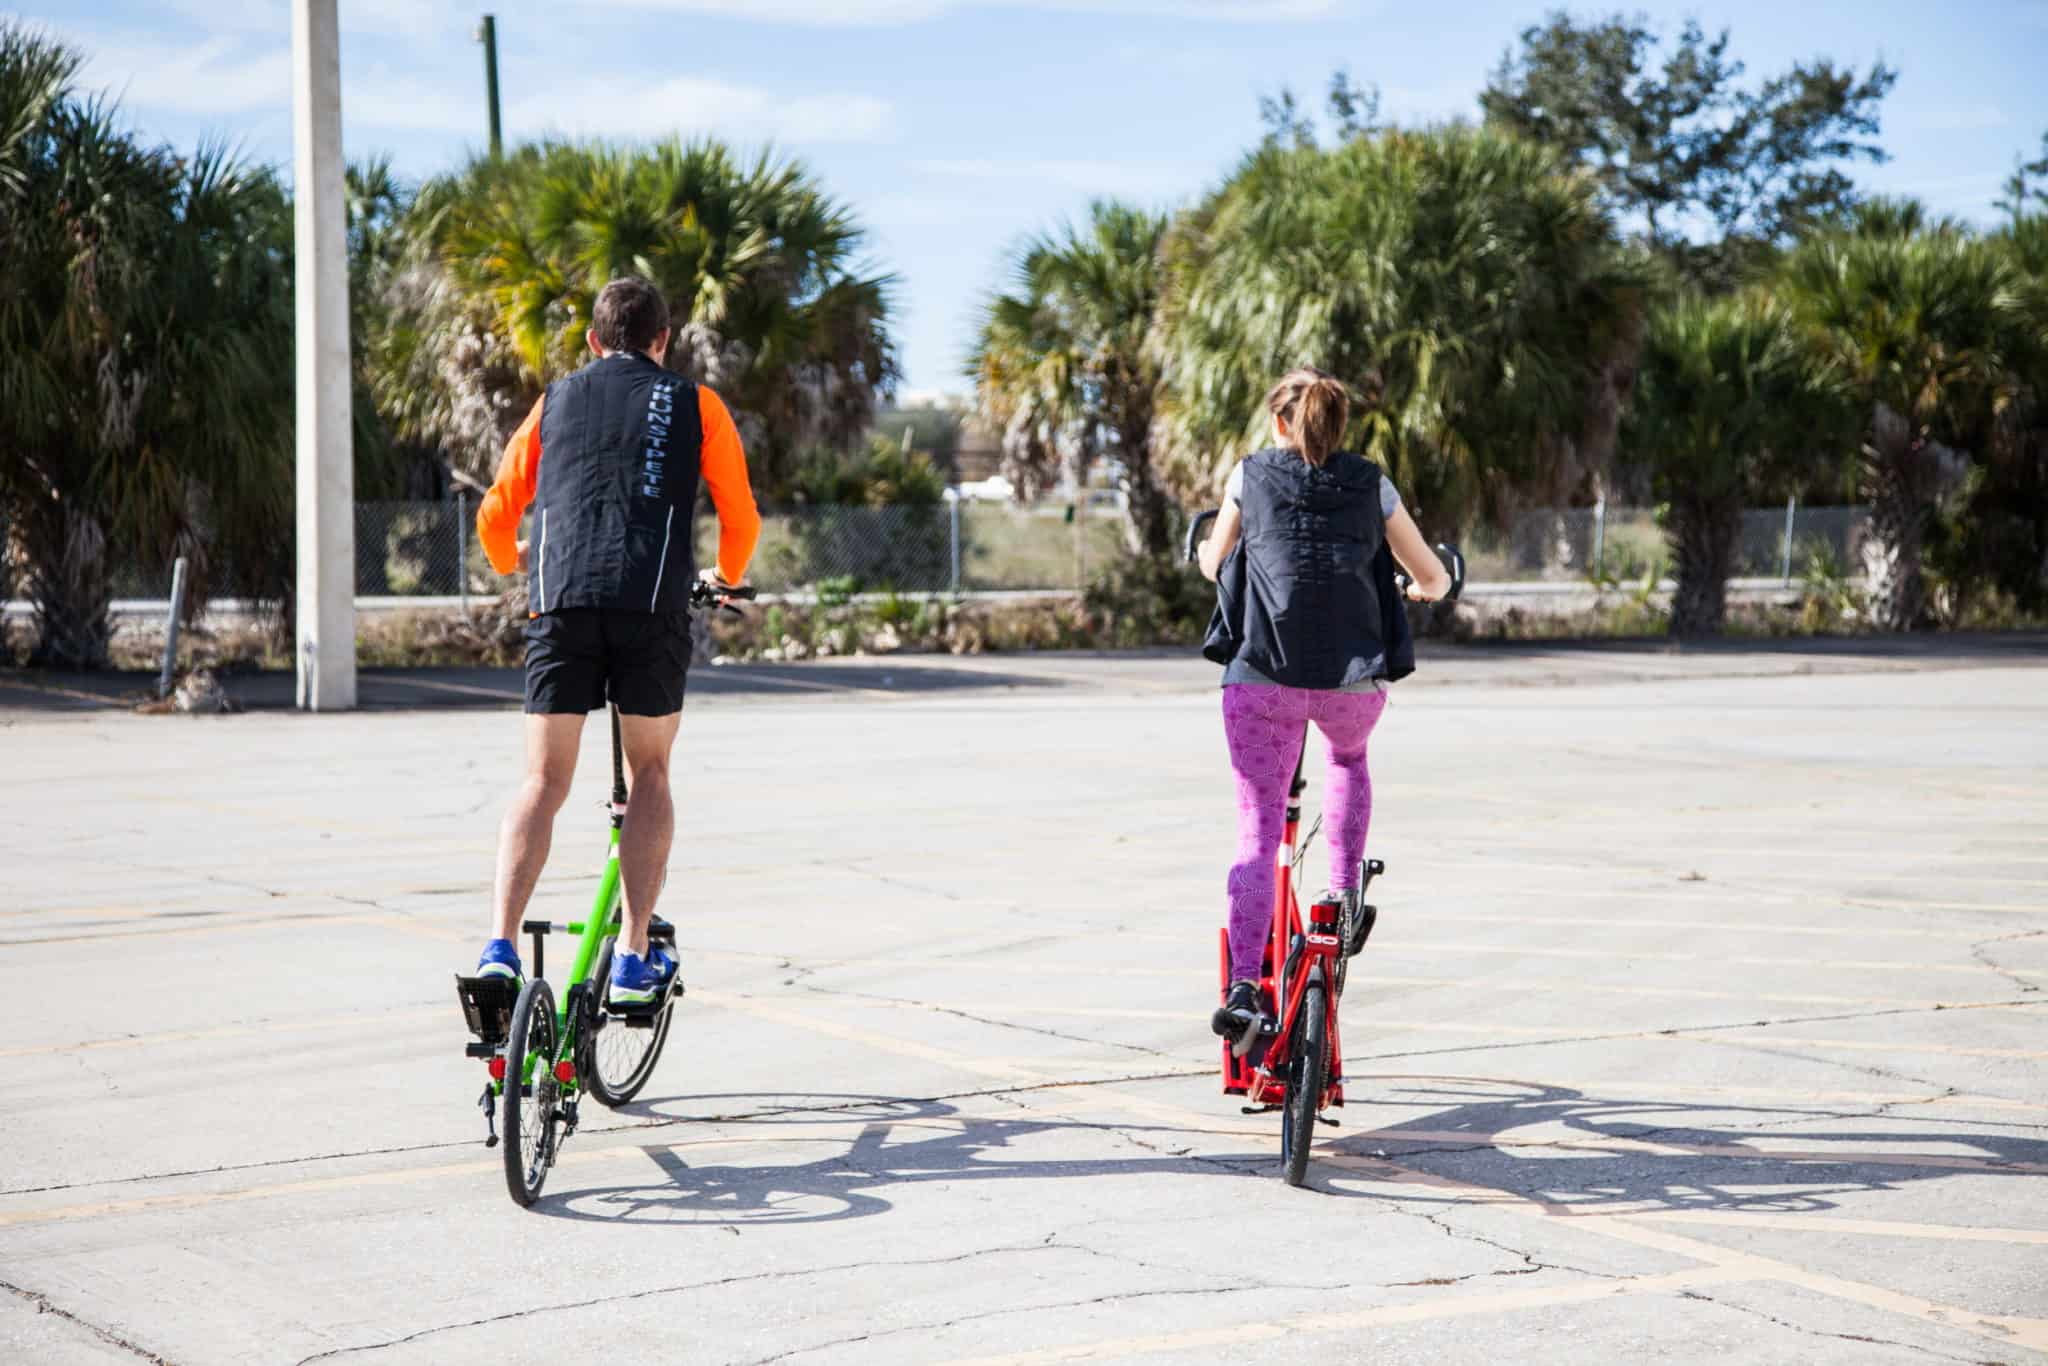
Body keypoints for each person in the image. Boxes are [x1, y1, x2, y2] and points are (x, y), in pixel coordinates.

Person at [470, 276, 760, 1006]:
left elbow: (496, 516)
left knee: (542, 782)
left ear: (594, 342)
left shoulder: (555, 400)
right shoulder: (699, 404)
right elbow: (741, 518)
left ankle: (500, 946)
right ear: (664, 342)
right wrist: (724, 578)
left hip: (560, 601)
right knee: (652, 774)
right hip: (650, 602)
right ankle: (633, 958)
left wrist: (517, 569)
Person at [1195, 366, 1452, 1051]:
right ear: (1339, 426)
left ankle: (1244, 991)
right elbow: (1432, 574)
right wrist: (1421, 589)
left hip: (1261, 680)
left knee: (1256, 830)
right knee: (1347, 757)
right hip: (1352, 680)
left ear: (1280, 422)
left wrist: (1203, 550)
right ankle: (1340, 898)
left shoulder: (1249, 476)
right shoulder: (1373, 484)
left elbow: (1214, 560)